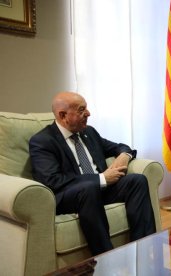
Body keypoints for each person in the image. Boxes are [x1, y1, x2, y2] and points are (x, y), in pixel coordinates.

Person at [29, 91, 156, 256]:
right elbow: (52, 180)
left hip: (98, 190)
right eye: (81, 110)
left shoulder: (88, 133)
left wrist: (125, 156)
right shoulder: (43, 141)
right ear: (63, 115)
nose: (88, 113)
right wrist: (101, 178)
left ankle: (144, 249)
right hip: (71, 196)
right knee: (88, 188)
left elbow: (120, 147)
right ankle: (107, 258)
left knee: (137, 181)